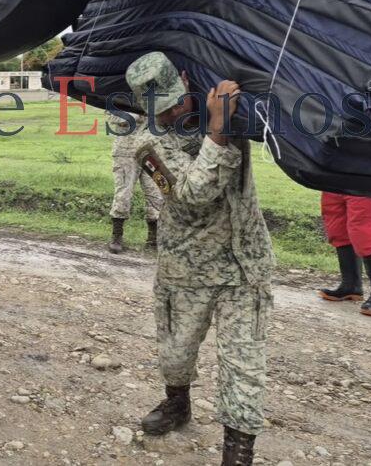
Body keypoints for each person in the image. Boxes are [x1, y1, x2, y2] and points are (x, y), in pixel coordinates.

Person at [126, 52, 274, 466]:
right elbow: (190, 194)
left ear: (188, 80)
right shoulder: (147, 147)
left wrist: (224, 122)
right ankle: (178, 404)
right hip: (185, 270)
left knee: (244, 361)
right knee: (176, 352)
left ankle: (238, 448)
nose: (172, 111)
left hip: (245, 264)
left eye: (175, 99)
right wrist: (217, 130)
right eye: (161, 108)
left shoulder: (231, 114)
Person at [318, 192, 371, 316]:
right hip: (332, 181)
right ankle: (350, 286)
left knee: (364, 234)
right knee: (338, 230)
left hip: (361, 181)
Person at [108, 111, 163, 253]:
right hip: (126, 151)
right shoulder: (118, 96)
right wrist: (140, 111)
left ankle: (153, 238)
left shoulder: (154, 94)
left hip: (151, 150)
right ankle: (117, 236)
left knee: (156, 193)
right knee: (124, 193)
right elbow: (117, 118)